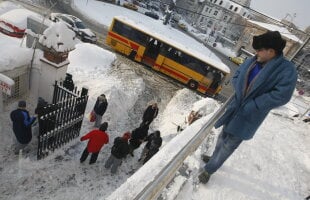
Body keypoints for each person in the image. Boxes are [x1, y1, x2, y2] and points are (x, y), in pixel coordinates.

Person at [198, 31, 298, 184]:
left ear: (271, 52)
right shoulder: (253, 60)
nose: (255, 52)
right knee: (222, 137)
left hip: (250, 115)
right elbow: (238, 75)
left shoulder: (287, 70)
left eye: (259, 50)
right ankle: (213, 158)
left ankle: (210, 169)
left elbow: (282, 95)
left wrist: (255, 104)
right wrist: (239, 91)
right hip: (235, 108)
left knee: (229, 146)